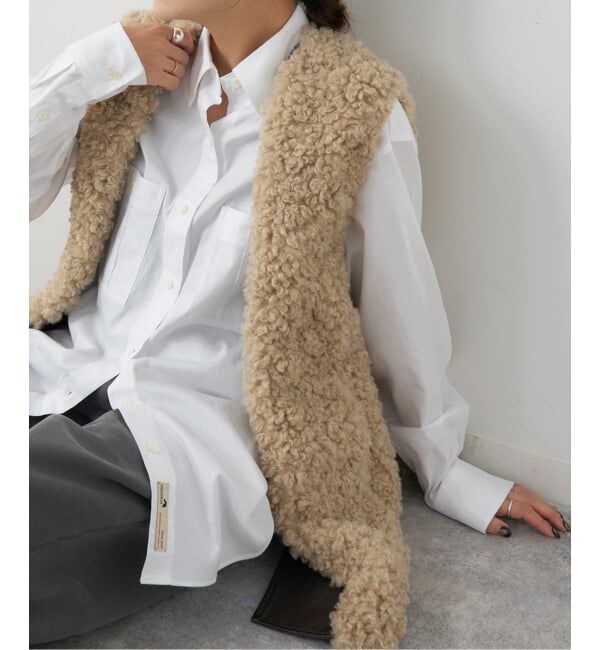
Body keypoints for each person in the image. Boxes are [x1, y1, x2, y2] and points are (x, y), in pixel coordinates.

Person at [29, 0, 570, 645]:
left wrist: (444, 467)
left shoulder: (352, 113)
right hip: (55, 368)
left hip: (177, 439)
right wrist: (94, 65)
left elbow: (399, 309)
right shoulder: (132, 71)